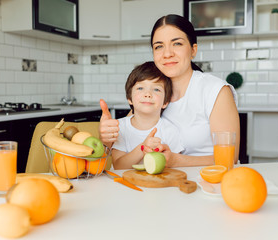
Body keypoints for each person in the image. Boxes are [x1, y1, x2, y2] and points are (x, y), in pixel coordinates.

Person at [100, 14, 240, 168]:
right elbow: (126, 136)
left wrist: (176, 161)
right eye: (159, 46)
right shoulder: (151, 95)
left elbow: (230, 158)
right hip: (168, 184)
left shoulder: (215, 90)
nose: (167, 53)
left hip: (210, 181)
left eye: (177, 43)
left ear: (193, 50)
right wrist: (107, 139)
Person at [111, 61, 184, 169]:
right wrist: (143, 147)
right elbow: (118, 166)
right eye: (140, 88)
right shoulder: (120, 128)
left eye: (156, 89)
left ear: (165, 102)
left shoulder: (170, 131)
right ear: (130, 98)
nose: (148, 94)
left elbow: (175, 167)